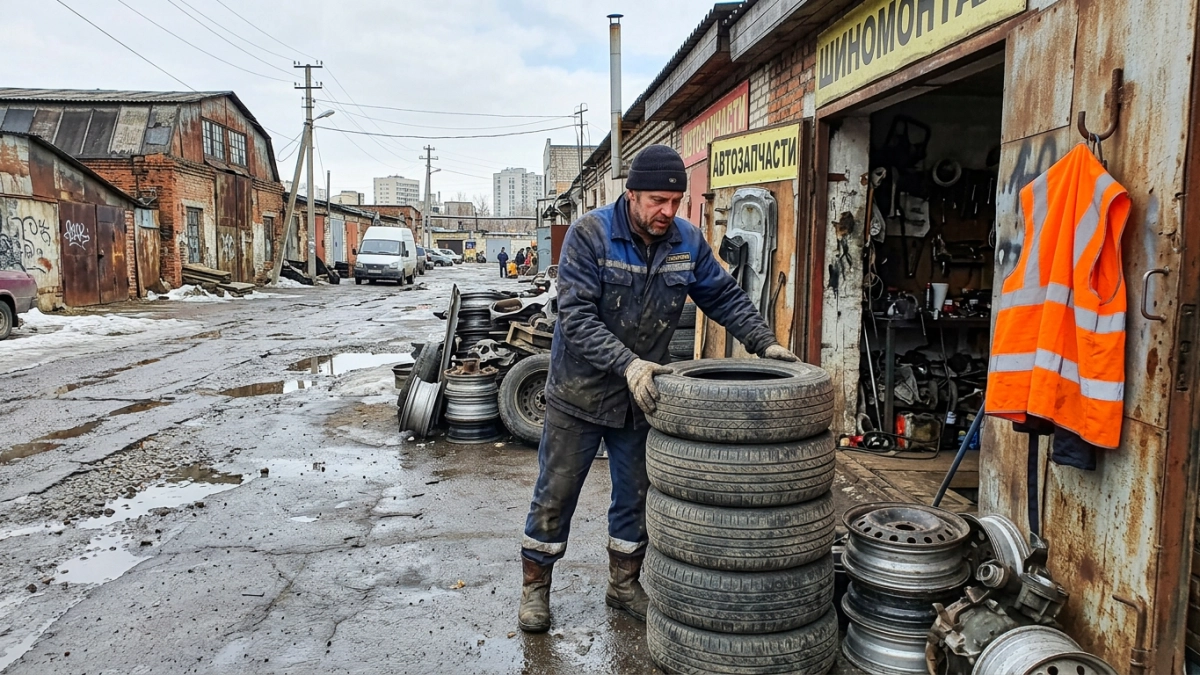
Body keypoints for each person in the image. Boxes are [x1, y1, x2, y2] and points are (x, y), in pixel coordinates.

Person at [517, 144, 800, 633]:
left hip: (639, 399)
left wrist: (765, 344)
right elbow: (576, 318)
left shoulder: (686, 241)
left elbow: (723, 295)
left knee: (635, 497)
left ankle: (623, 585)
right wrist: (627, 364)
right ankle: (535, 590)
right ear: (630, 196)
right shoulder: (591, 236)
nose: (666, 212)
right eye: (655, 201)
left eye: (674, 202)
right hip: (578, 396)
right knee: (555, 494)